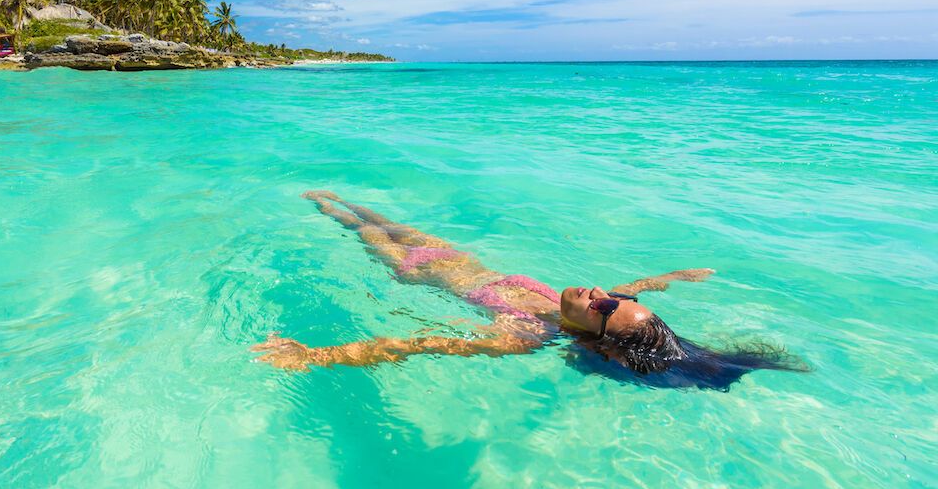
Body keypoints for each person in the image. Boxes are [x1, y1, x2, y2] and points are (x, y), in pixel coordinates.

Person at [253, 192, 805, 389]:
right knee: (379, 213)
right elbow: (632, 287)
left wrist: (318, 356)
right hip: (455, 257)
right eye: (621, 299)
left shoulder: (525, 334)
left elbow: (420, 344)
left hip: (415, 270)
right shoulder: (597, 303)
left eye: (608, 307)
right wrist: (675, 277)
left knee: (355, 224)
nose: (604, 295)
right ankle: (328, 194)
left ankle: (315, 201)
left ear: (596, 336)